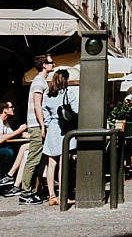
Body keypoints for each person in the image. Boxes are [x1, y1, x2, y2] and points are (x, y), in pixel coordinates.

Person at [18, 53, 54, 205]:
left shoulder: (41, 81)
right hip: (36, 125)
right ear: (44, 65)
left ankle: (32, 190)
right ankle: (25, 192)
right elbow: (37, 104)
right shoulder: (39, 82)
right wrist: (42, 125)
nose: (54, 64)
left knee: (40, 159)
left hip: (37, 124)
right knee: (33, 159)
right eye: (51, 62)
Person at [42, 68, 79, 206]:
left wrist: (48, 125)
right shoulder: (69, 94)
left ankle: (51, 196)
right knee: (64, 165)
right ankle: (62, 195)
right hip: (66, 131)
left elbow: (45, 115)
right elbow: (76, 111)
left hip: (52, 129)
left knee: (51, 164)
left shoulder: (48, 95)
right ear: (65, 80)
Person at [0, 100, 27, 188]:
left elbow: (12, 134)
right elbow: (0, 139)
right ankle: (2, 180)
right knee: (8, 153)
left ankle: (9, 178)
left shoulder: (4, 121)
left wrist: (24, 134)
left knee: (16, 150)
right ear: (5, 110)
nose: (13, 108)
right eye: (11, 107)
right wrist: (19, 130)